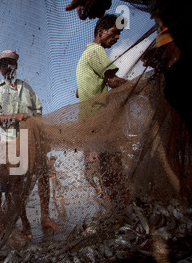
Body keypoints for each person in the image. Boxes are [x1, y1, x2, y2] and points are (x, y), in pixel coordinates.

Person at [0, 50, 59, 237]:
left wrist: (35, 122)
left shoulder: (26, 88)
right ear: (0, 70)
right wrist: (15, 117)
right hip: (11, 142)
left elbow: (38, 110)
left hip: (33, 141)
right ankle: (25, 223)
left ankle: (45, 217)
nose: (6, 67)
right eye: (2, 65)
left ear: (15, 66)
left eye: (9, 63)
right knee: (17, 184)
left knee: (42, 176)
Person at [76, 14, 129, 213]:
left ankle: (114, 209)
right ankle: (121, 208)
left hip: (87, 121)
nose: (117, 38)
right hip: (100, 119)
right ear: (101, 32)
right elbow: (113, 81)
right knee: (113, 165)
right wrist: (137, 85)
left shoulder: (84, 56)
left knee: (106, 167)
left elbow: (78, 91)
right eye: (114, 33)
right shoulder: (97, 51)